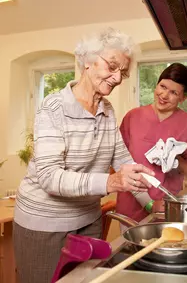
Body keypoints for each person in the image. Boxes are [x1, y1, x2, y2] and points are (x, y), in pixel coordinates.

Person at [13, 28, 154, 283]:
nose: (117, 77)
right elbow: (49, 177)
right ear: (87, 60)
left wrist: (152, 204)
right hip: (44, 223)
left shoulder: (107, 110)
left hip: (89, 219)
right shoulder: (53, 108)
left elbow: (123, 161)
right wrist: (109, 183)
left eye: (123, 72)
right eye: (112, 66)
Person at [116, 63, 187, 223]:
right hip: (130, 207)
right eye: (162, 86)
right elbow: (118, 161)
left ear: (183, 98)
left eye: (173, 92)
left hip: (167, 207)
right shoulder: (133, 117)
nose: (164, 95)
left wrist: (175, 161)